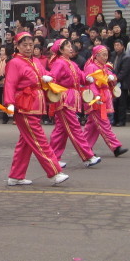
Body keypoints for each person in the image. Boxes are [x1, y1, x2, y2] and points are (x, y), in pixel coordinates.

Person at [3, 32, 68, 187]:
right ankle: (54, 172)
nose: (28, 48)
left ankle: (16, 176)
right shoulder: (14, 63)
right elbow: (10, 83)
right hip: (24, 106)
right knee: (39, 140)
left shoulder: (36, 61)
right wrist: (9, 103)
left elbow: (45, 75)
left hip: (35, 105)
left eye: (30, 45)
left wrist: (48, 77)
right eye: (24, 45)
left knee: (26, 142)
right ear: (17, 46)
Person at [46, 38, 101, 167]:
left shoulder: (70, 63)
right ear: (60, 50)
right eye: (68, 46)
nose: (71, 48)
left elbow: (81, 76)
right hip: (65, 99)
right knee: (74, 128)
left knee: (61, 130)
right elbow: (53, 78)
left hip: (70, 98)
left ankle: (53, 157)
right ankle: (88, 156)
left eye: (71, 46)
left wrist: (88, 79)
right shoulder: (59, 63)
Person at [82, 44, 127, 157]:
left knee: (93, 126)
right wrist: (96, 97)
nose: (105, 57)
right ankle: (115, 146)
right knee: (104, 123)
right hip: (96, 100)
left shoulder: (103, 67)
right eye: (103, 55)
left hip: (103, 98)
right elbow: (90, 84)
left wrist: (112, 78)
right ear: (96, 56)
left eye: (106, 55)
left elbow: (110, 77)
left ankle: (84, 147)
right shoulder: (91, 67)